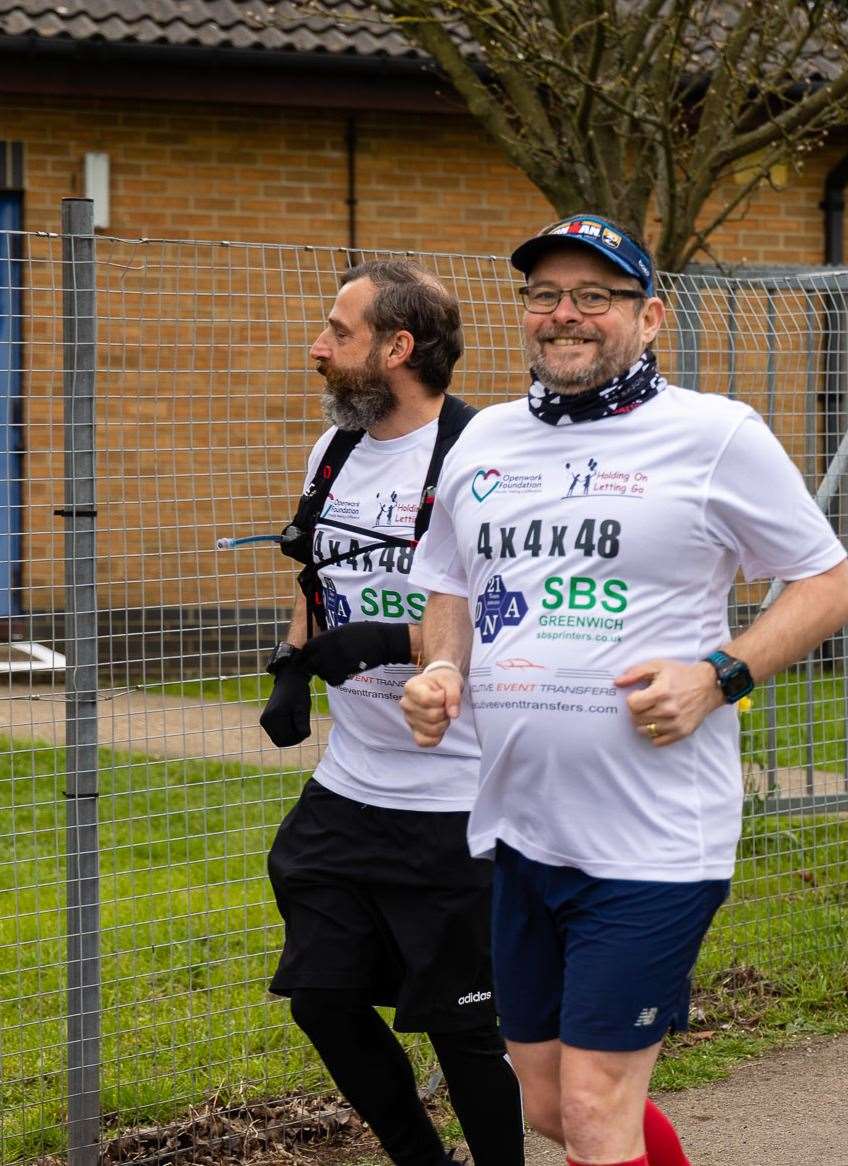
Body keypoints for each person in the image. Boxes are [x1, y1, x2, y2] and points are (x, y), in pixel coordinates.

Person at [399, 214, 848, 1166]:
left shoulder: (713, 434)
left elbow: (829, 584)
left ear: (648, 317)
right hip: (523, 827)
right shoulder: (482, 438)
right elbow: (448, 579)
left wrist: (719, 676)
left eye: (594, 298)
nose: (564, 316)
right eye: (544, 296)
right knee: (548, 1102)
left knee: (599, 1105)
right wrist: (442, 666)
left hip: (654, 835)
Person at [259, 260, 523, 1166]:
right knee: (321, 998)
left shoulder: (484, 457)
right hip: (351, 788)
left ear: (396, 347)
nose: (317, 348)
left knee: (464, 1029)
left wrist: (382, 642)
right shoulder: (331, 451)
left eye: (337, 331)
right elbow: (316, 576)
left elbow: (510, 613)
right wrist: (293, 666)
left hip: (459, 797)